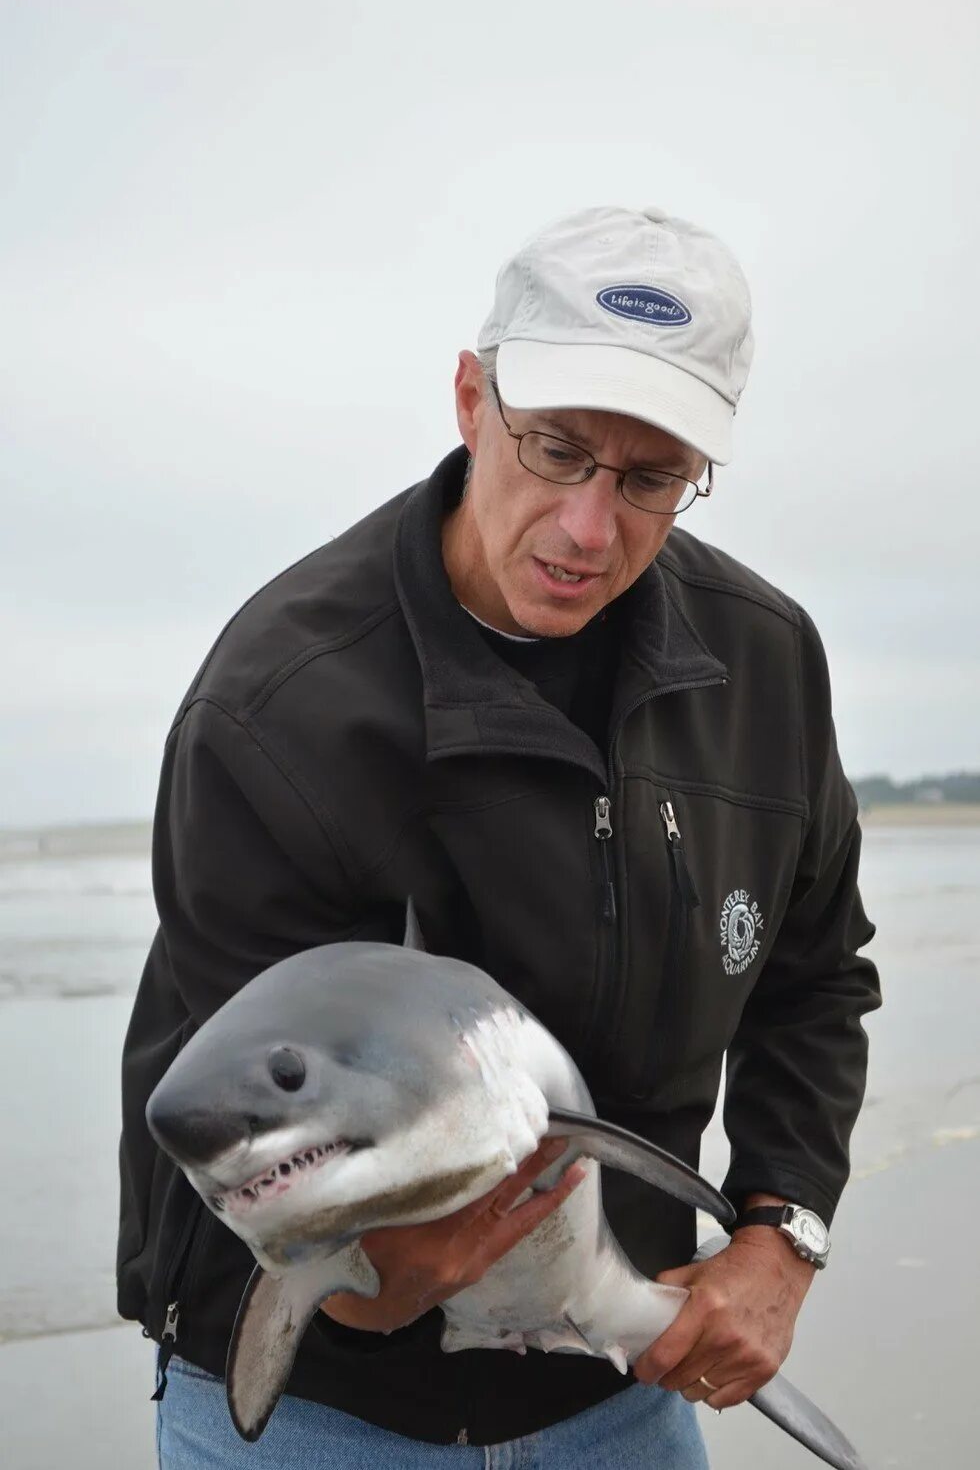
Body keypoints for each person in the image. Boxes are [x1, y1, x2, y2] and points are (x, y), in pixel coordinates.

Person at [117, 205, 880, 1468]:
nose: (589, 529)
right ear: (471, 398)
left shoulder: (764, 664)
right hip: (307, 1408)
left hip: (614, 1398)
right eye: (556, 450)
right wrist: (372, 1274)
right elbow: (250, 1116)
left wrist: (778, 1232)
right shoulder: (276, 710)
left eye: (649, 480)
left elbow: (812, 973)